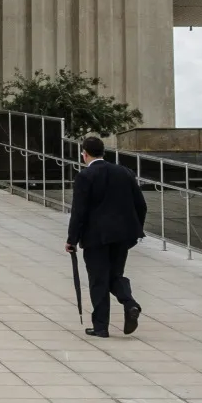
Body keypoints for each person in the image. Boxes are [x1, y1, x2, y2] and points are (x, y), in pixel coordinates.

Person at [65, 135, 148, 338]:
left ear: (84, 154)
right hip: (122, 236)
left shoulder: (85, 176)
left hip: (96, 237)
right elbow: (141, 205)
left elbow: (79, 212)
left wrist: (71, 239)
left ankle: (101, 326)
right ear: (104, 152)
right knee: (115, 276)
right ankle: (130, 304)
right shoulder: (125, 173)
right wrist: (135, 230)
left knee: (98, 280)